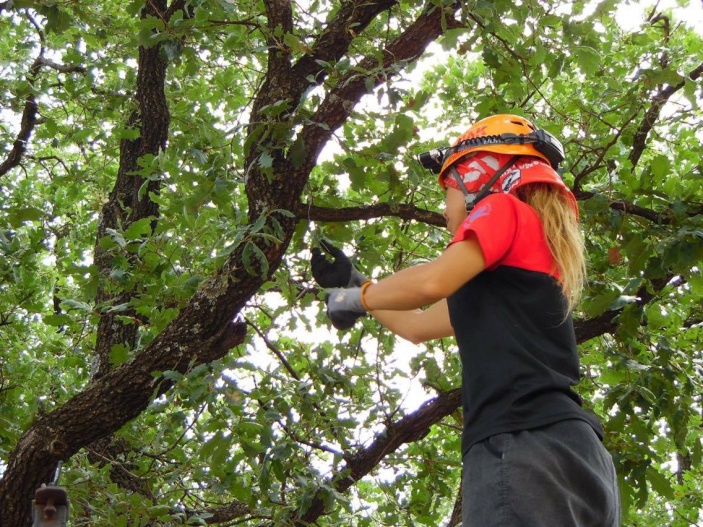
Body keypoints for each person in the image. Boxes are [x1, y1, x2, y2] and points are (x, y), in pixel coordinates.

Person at [311, 114, 620, 526]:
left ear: (480, 176)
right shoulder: (527, 263)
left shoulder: (502, 208)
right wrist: (357, 284)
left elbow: (432, 281)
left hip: (522, 444)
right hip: (582, 460)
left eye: (449, 189)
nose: (444, 211)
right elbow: (417, 325)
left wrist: (353, 299)